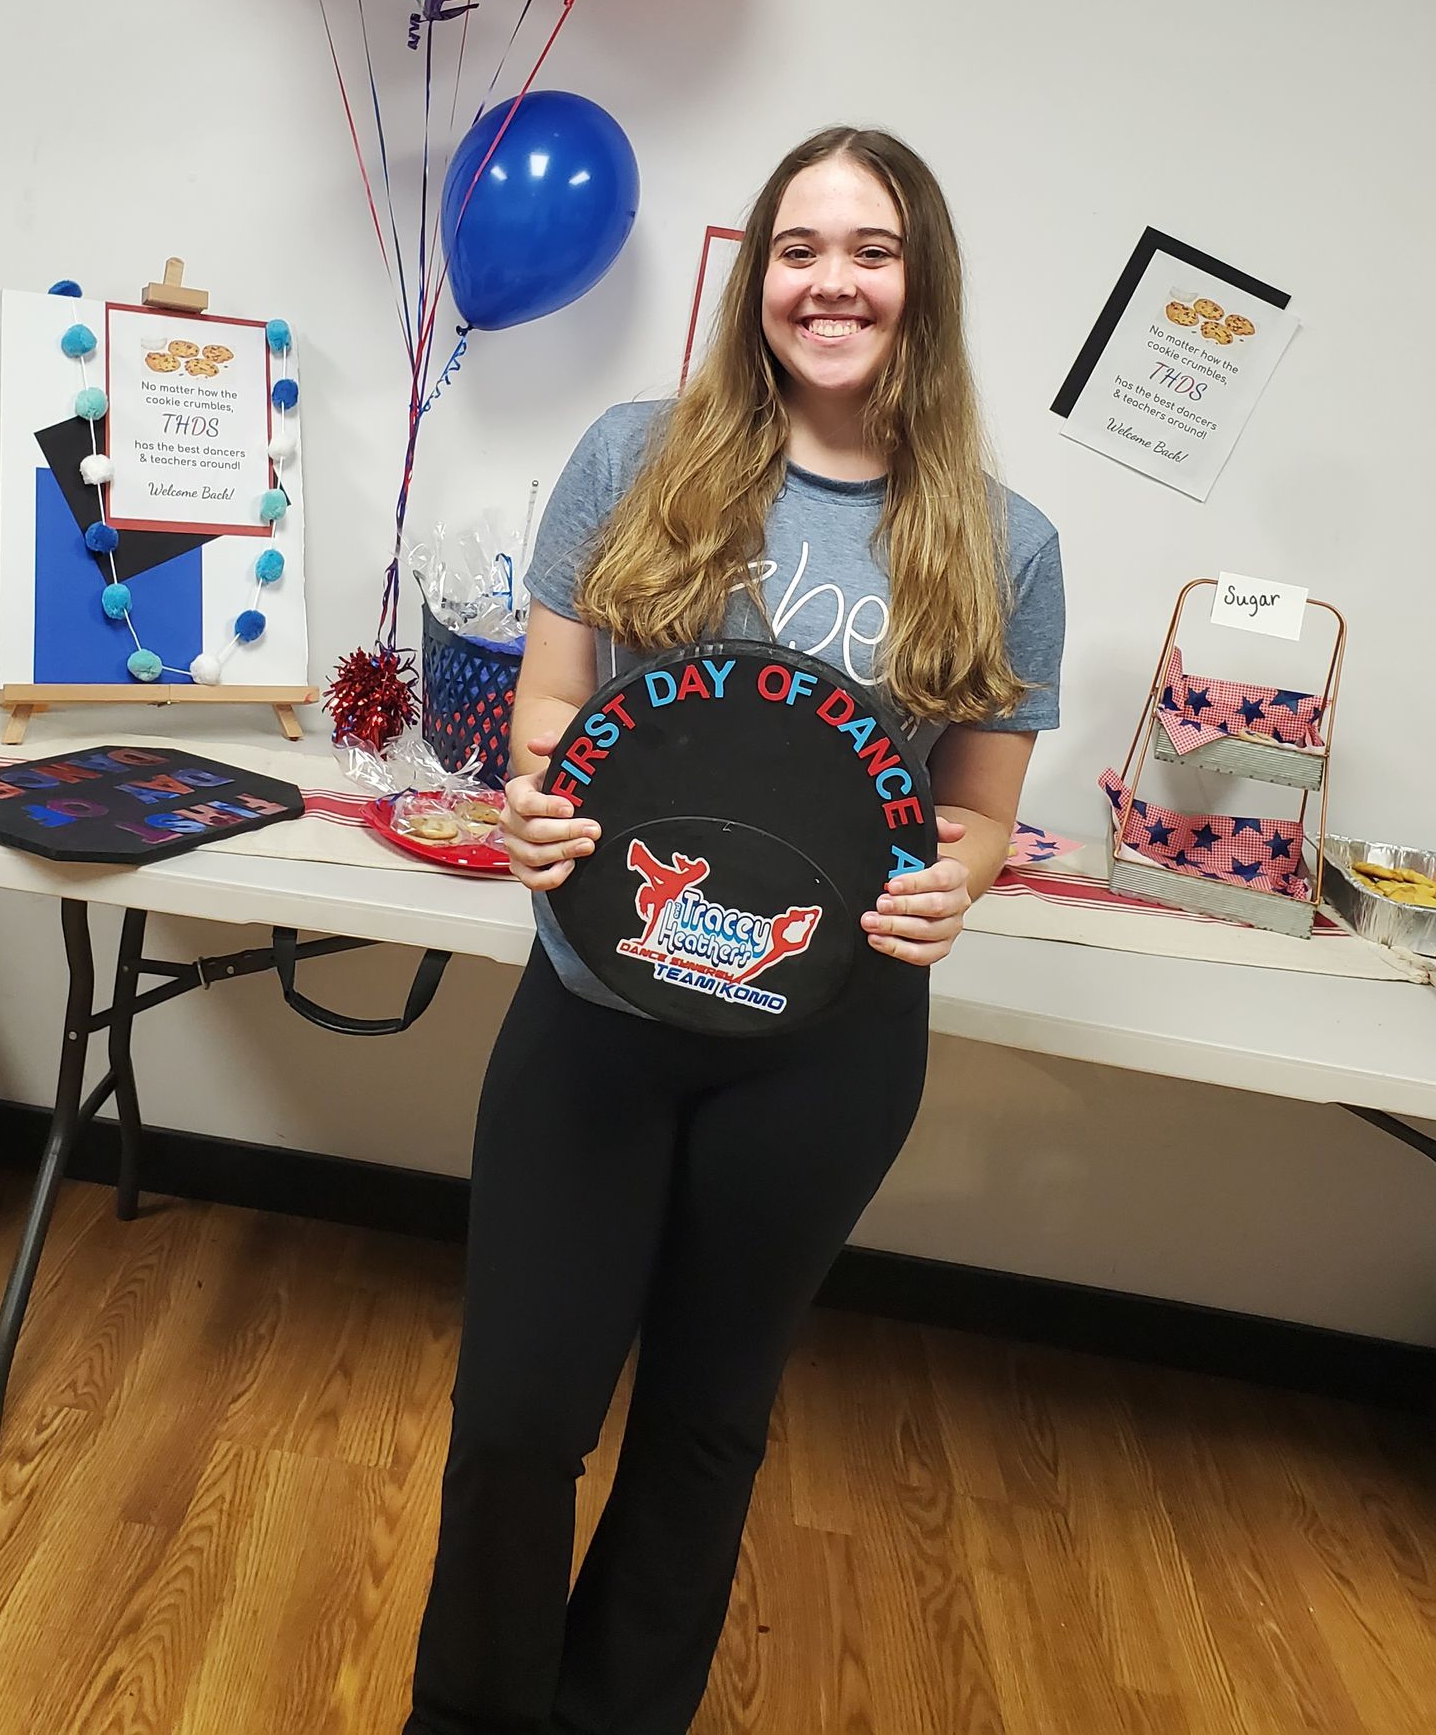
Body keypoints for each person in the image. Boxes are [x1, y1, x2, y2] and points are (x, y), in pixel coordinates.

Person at [405, 125, 1065, 1735]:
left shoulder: (1002, 540)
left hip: (824, 1054)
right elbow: (554, 709)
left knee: (707, 1427)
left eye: (873, 251)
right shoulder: (638, 455)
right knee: (516, 1421)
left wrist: (952, 879)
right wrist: (535, 799)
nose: (831, 281)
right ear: (757, 276)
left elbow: (978, 808)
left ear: (923, 288)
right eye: (799, 247)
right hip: (598, 1011)